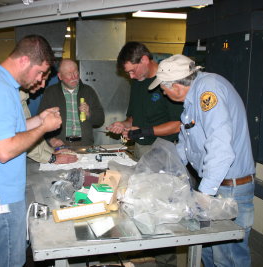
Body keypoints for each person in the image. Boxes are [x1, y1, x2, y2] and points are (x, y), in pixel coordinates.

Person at [0, 35, 62, 267]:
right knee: (8, 262)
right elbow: (4, 150)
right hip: (0, 197)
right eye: (40, 72)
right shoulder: (0, 90)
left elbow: (11, 131)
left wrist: (39, 119)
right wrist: (44, 130)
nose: (40, 80)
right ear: (25, 61)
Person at [150, 54, 255, 267]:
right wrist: (159, 170)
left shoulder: (209, 91)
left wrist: (205, 194)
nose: (163, 92)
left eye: (163, 88)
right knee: (205, 251)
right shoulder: (191, 102)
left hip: (228, 189)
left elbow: (220, 148)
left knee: (227, 258)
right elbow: (185, 146)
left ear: (177, 86)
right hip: (213, 185)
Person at [107, 42, 183, 160]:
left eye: (133, 71)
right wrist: (123, 125)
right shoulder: (137, 82)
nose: (131, 76)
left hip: (163, 150)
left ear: (144, 59)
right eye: (128, 73)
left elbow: (178, 125)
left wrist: (144, 131)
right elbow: (134, 118)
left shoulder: (168, 81)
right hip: (140, 148)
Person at [38, 58, 105, 147]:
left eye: (76, 72)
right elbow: (41, 121)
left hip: (85, 145)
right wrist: (50, 139)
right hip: (60, 146)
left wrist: (89, 113)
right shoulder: (50, 93)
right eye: (69, 74)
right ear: (60, 76)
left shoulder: (88, 91)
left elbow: (100, 120)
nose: (74, 77)